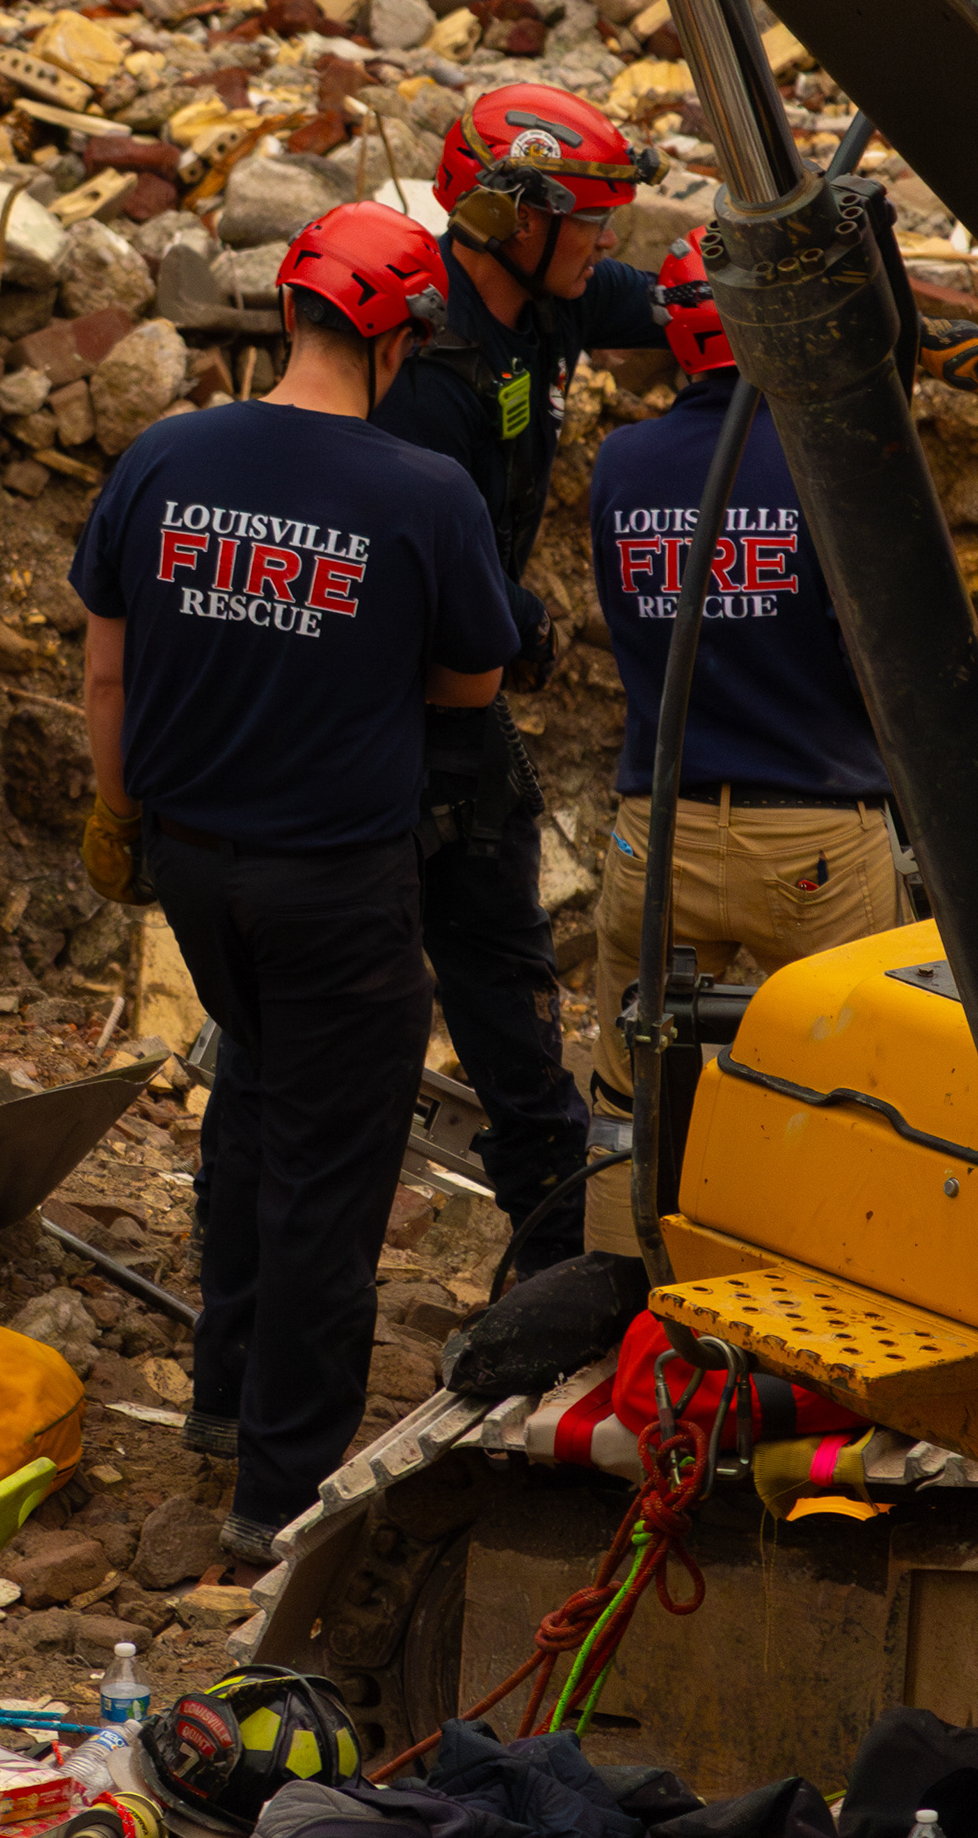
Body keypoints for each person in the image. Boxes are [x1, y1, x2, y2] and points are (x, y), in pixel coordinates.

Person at [72, 201, 520, 1565]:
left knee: (258, 1099)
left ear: (291, 318)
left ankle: (223, 1397)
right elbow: (474, 678)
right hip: (334, 888)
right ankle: (279, 1499)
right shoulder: (421, 494)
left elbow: (108, 662)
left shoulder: (166, 457)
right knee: (333, 1168)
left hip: (192, 870)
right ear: (395, 340)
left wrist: (112, 811)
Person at [573, 230, 978, 1262]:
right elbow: (888, 653)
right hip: (816, 840)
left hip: (655, 835)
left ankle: (613, 1308)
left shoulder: (620, 463)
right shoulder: (829, 462)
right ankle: (842, 1303)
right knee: (865, 1095)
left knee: (629, 1092)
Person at [365, 85, 666, 1279]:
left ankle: (547, 1231)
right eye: (586, 222)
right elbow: (422, 578)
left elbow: (665, 305)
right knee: (441, 955)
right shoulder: (424, 370)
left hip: (472, 677)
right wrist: (519, 617)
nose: (602, 247)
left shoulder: (547, 301)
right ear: (508, 218)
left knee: (504, 960)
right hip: (403, 700)